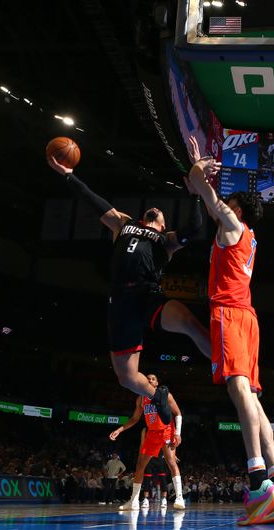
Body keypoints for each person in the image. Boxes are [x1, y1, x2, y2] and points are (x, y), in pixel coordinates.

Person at [46, 146, 211, 425]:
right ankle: (156, 394)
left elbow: (194, 230)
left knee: (188, 322)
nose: (157, 208)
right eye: (154, 209)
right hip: (121, 298)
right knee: (125, 378)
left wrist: (195, 194)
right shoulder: (122, 223)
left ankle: (227, 366)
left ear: (162, 224)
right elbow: (92, 200)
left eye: (160, 212)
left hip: (147, 293)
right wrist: (69, 176)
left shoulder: (167, 241)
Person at [188, 159, 274, 525]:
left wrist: (198, 170)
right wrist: (199, 182)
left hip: (230, 314)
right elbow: (205, 198)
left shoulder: (232, 224)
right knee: (253, 400)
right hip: (248, 318)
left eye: (228, 203)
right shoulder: (248, 236)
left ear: (236, 208)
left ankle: (258, 481)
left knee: (239, 391)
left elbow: (210, 199)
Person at [109, 374, 186, 511]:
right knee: (140, 465)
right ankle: (133, 501)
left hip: (166, 431)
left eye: (153, 378)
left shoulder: (165, 395)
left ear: (156, 383)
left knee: (171, 461)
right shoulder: (141, 399)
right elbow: (134, 419)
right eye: (147, 378)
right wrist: (120, 429)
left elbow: (178, 413)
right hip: (152, 433)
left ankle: (179, 497)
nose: (150, 380)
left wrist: (177, 434)